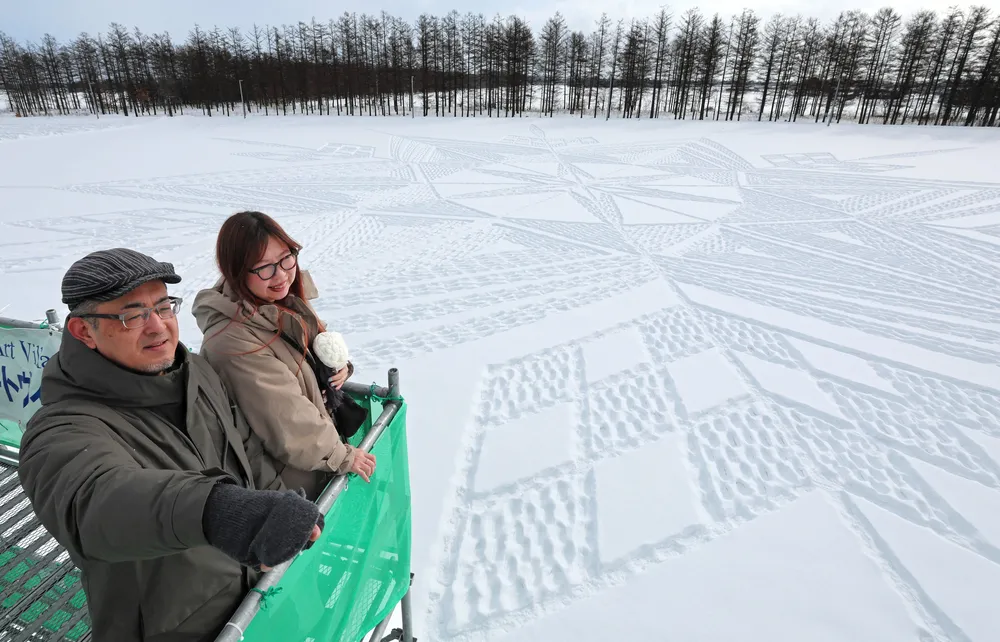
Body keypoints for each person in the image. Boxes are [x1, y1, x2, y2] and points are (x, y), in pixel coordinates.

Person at [17, 248, 326, 642]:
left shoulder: (194, 371)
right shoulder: (62, 428)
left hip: (256, 602)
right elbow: (94, 502)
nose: (159, 327)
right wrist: (218, 510)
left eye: (165, 307)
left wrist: (273, 509)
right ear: (83, 332)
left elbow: (243, 450)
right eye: (132, 316)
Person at [192, 211, 376, 501]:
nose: (281, 275)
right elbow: (288, 421)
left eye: (286, 258)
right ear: (236, 271)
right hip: (289, 486)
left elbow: (310, 354)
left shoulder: (278, 302)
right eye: (264, 267)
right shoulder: (233, 341)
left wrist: (340, 367)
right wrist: (341, 456)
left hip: (315, 461)